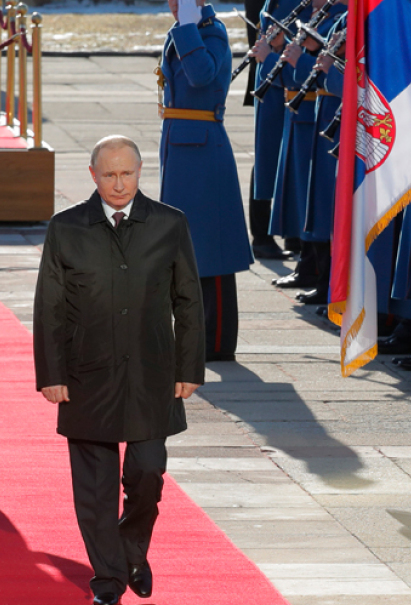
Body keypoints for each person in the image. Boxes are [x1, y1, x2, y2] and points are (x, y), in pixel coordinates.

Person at [33, 135, 206, 605]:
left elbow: (188, 299)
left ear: (139, 172)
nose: (118, 183)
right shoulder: (66, 228)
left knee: (148, 472)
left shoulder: (170, 223)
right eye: (108, 174)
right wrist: (52, 372)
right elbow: (49, 306)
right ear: (92, 175)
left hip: (153, 373)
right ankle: (107, 575)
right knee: (94, 487)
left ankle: (131, 549)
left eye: (126, 173)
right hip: (86, 373)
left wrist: (190, 366)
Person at [158, 0, 253, 361]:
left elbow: (201, 76)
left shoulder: (210, 32)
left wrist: (186, 27)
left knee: (210, 249)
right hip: (183, 146)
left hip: (200, 148)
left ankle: (216, 341)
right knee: (188, 247)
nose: (172, 5)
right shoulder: (192, 29)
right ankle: (194, 333)